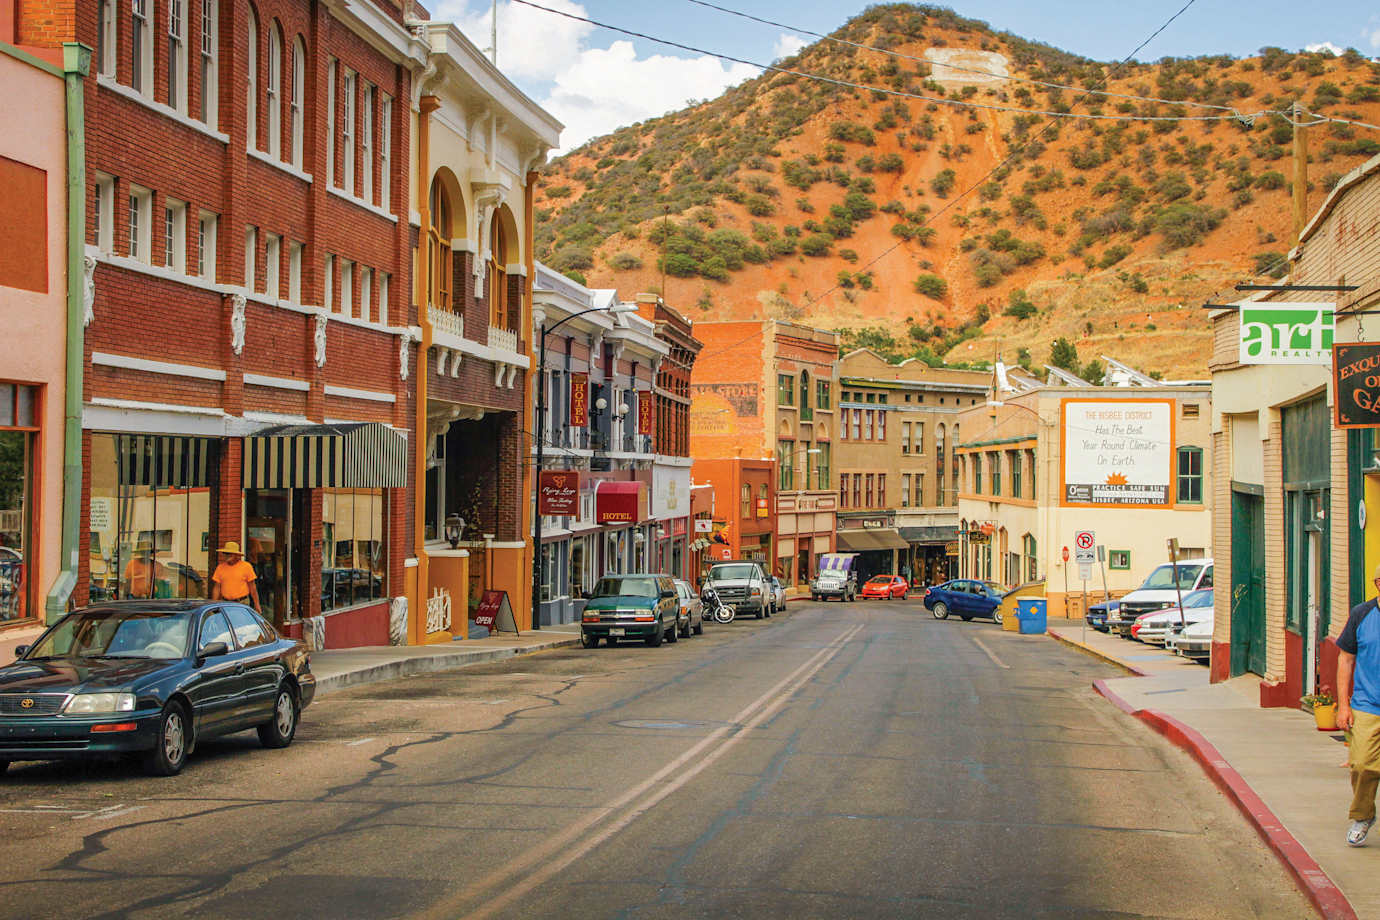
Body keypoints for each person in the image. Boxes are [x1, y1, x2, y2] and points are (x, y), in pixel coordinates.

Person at [1336, 564, 1380, 846]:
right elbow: (1345, 659)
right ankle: (1363, 815)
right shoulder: (1361, 614)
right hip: (1368, 704)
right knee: (1362, 765)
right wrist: (1343, 705)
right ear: (1378, 583)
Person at [211, 541, 262, 615]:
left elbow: (252, 587)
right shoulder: (220, 567)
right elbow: (217, 587)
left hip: (241, 603)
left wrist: (257, 604)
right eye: (225, 553)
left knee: (240, 625)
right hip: (225, 603)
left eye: (229, 553)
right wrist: (214, 603)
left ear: (236, 555)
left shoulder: (246, 566)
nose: (226, 555)